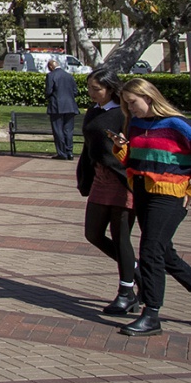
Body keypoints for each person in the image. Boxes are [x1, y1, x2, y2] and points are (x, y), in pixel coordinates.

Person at [112, 78, 191, 337]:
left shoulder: (178, 124)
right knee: (164, 252)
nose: (130, 109)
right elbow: (136, 158)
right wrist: (121, 149)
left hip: (169, 195)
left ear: (149, 98)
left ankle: (151, 314)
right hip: (143, 190)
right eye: (126, 105)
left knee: (150, 250)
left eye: (133, 103)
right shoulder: (136, 124)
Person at [77, 69, 138, 315]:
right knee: (93, 233)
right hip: (101, 178)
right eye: (90, 88)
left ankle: (127, 292)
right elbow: (88, 146)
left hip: (123, 179)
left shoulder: (124, 113)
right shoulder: (93, 112)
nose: (91, 93)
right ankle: (137, 272)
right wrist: (84, 177)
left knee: (121, 236)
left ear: (110, 89)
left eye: (96, 89)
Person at [45, 58, 79, 160]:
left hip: (57, 107)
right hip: (70, 106)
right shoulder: (69, 75)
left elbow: (48, 91)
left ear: (51, 66)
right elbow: (75, 91)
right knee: (68, 130)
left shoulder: (51, 76)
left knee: (58, 130)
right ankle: (70, 152)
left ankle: (62, 153)